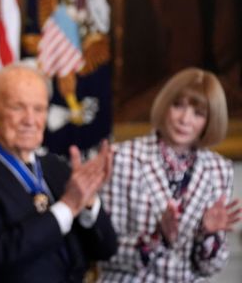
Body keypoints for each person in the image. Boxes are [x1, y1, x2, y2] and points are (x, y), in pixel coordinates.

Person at [0, 62, 118, 283]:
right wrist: (68, 205)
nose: (30, 120)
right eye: (17, 107)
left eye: (39, 109)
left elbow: (106, 249)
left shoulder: (57, 167)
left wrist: (88, 202)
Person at [98, 67, 242, 282]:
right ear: (165, 105)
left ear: (209, 121)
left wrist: (208, 233)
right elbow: (104, 251)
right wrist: (157, 237)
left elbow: (209, 267)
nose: (185, 119)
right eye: (178, 105)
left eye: (198, 113)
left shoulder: (219, 170)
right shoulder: (122, 158)